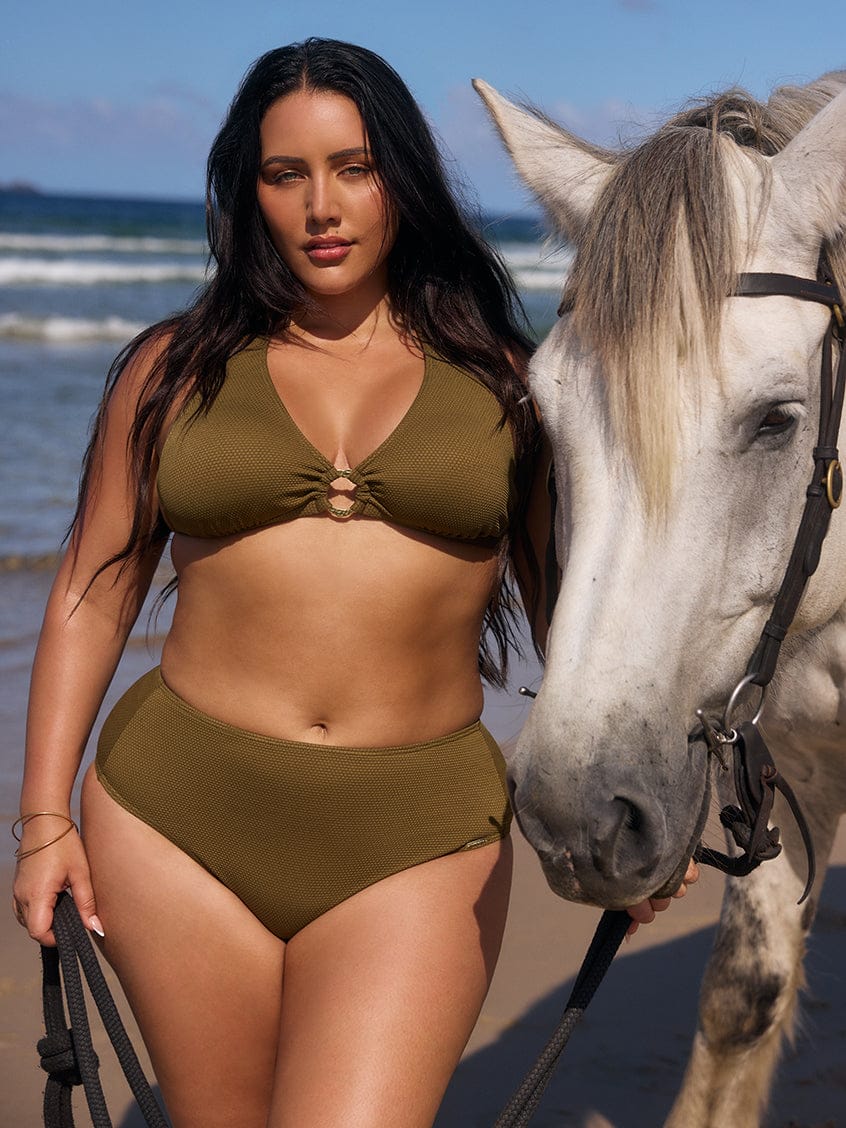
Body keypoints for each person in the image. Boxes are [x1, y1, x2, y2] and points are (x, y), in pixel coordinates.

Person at [12, 38, 696, 1128]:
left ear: (403, 183)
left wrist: (636, 800)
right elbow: (95, 591)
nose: (321, 207)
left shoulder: (509, 388)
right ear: (250, 192)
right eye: (287, 175)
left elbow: (581, 614)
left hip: (417, 838)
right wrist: (45, 818)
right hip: (176, 819)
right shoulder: (171, 369)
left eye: (355, 168)